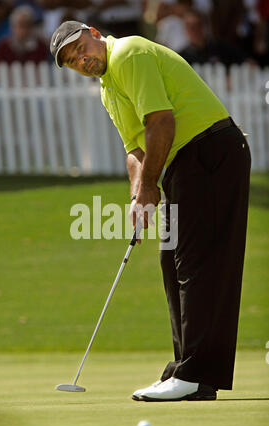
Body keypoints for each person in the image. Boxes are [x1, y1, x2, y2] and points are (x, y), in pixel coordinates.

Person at [50, 21, 251, 401]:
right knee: (173, 263)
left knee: (198, 265)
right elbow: (135, 149)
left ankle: (194, 374)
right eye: (71, 60)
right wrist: (136, 197)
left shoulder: (129, 52)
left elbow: (161, 121)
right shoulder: (107, 88)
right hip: (184, 162)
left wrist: (148, 188)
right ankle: (189, 372)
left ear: (94, 33)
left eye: (79, 48)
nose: (80, 59)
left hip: (209, 152)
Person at [179, 8, 249, 66]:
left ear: (204, 26)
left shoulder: (221, 47)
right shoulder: (182, 57)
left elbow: (247, 61)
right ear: (185, 29)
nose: (195, 30)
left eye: (198, 25)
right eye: (190, 27)